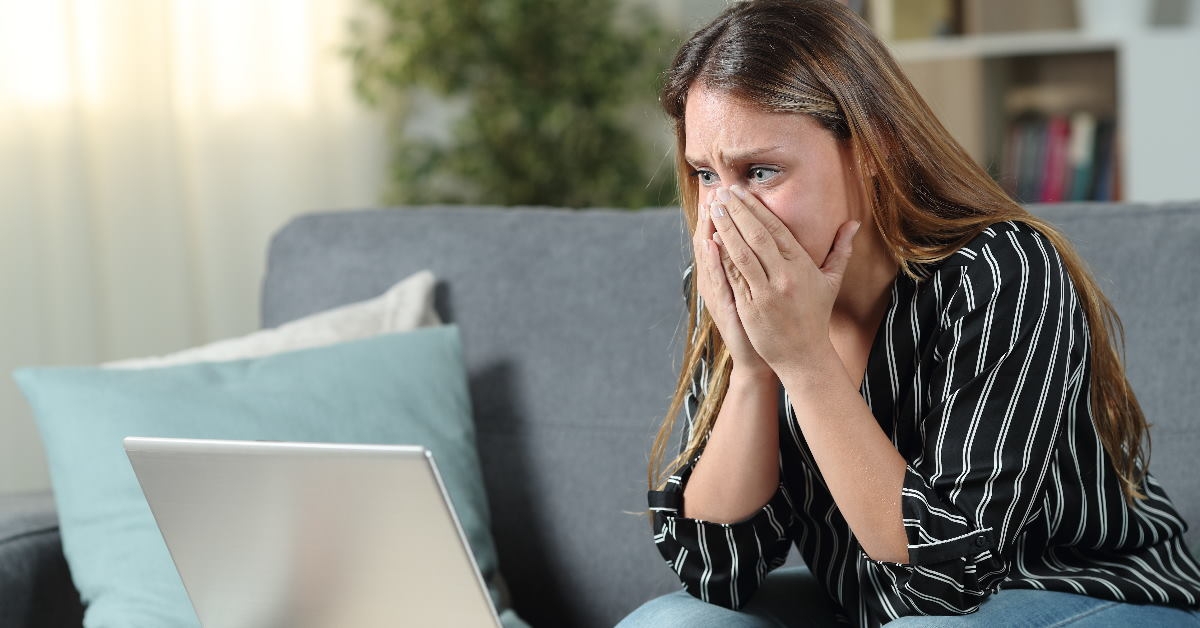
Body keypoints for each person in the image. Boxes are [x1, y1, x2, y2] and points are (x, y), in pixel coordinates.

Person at [618, 1, 1200, 626]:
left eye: (761, 170)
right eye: (706, 174)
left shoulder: (1002, 272)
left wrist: (806, 360)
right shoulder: (735, 282)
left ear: (870, 150)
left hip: (1080, 595)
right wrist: (754, 368)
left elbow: (945, 582)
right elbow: (716, 568)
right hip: (880, 608)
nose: (727, 216)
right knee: (673, 621)